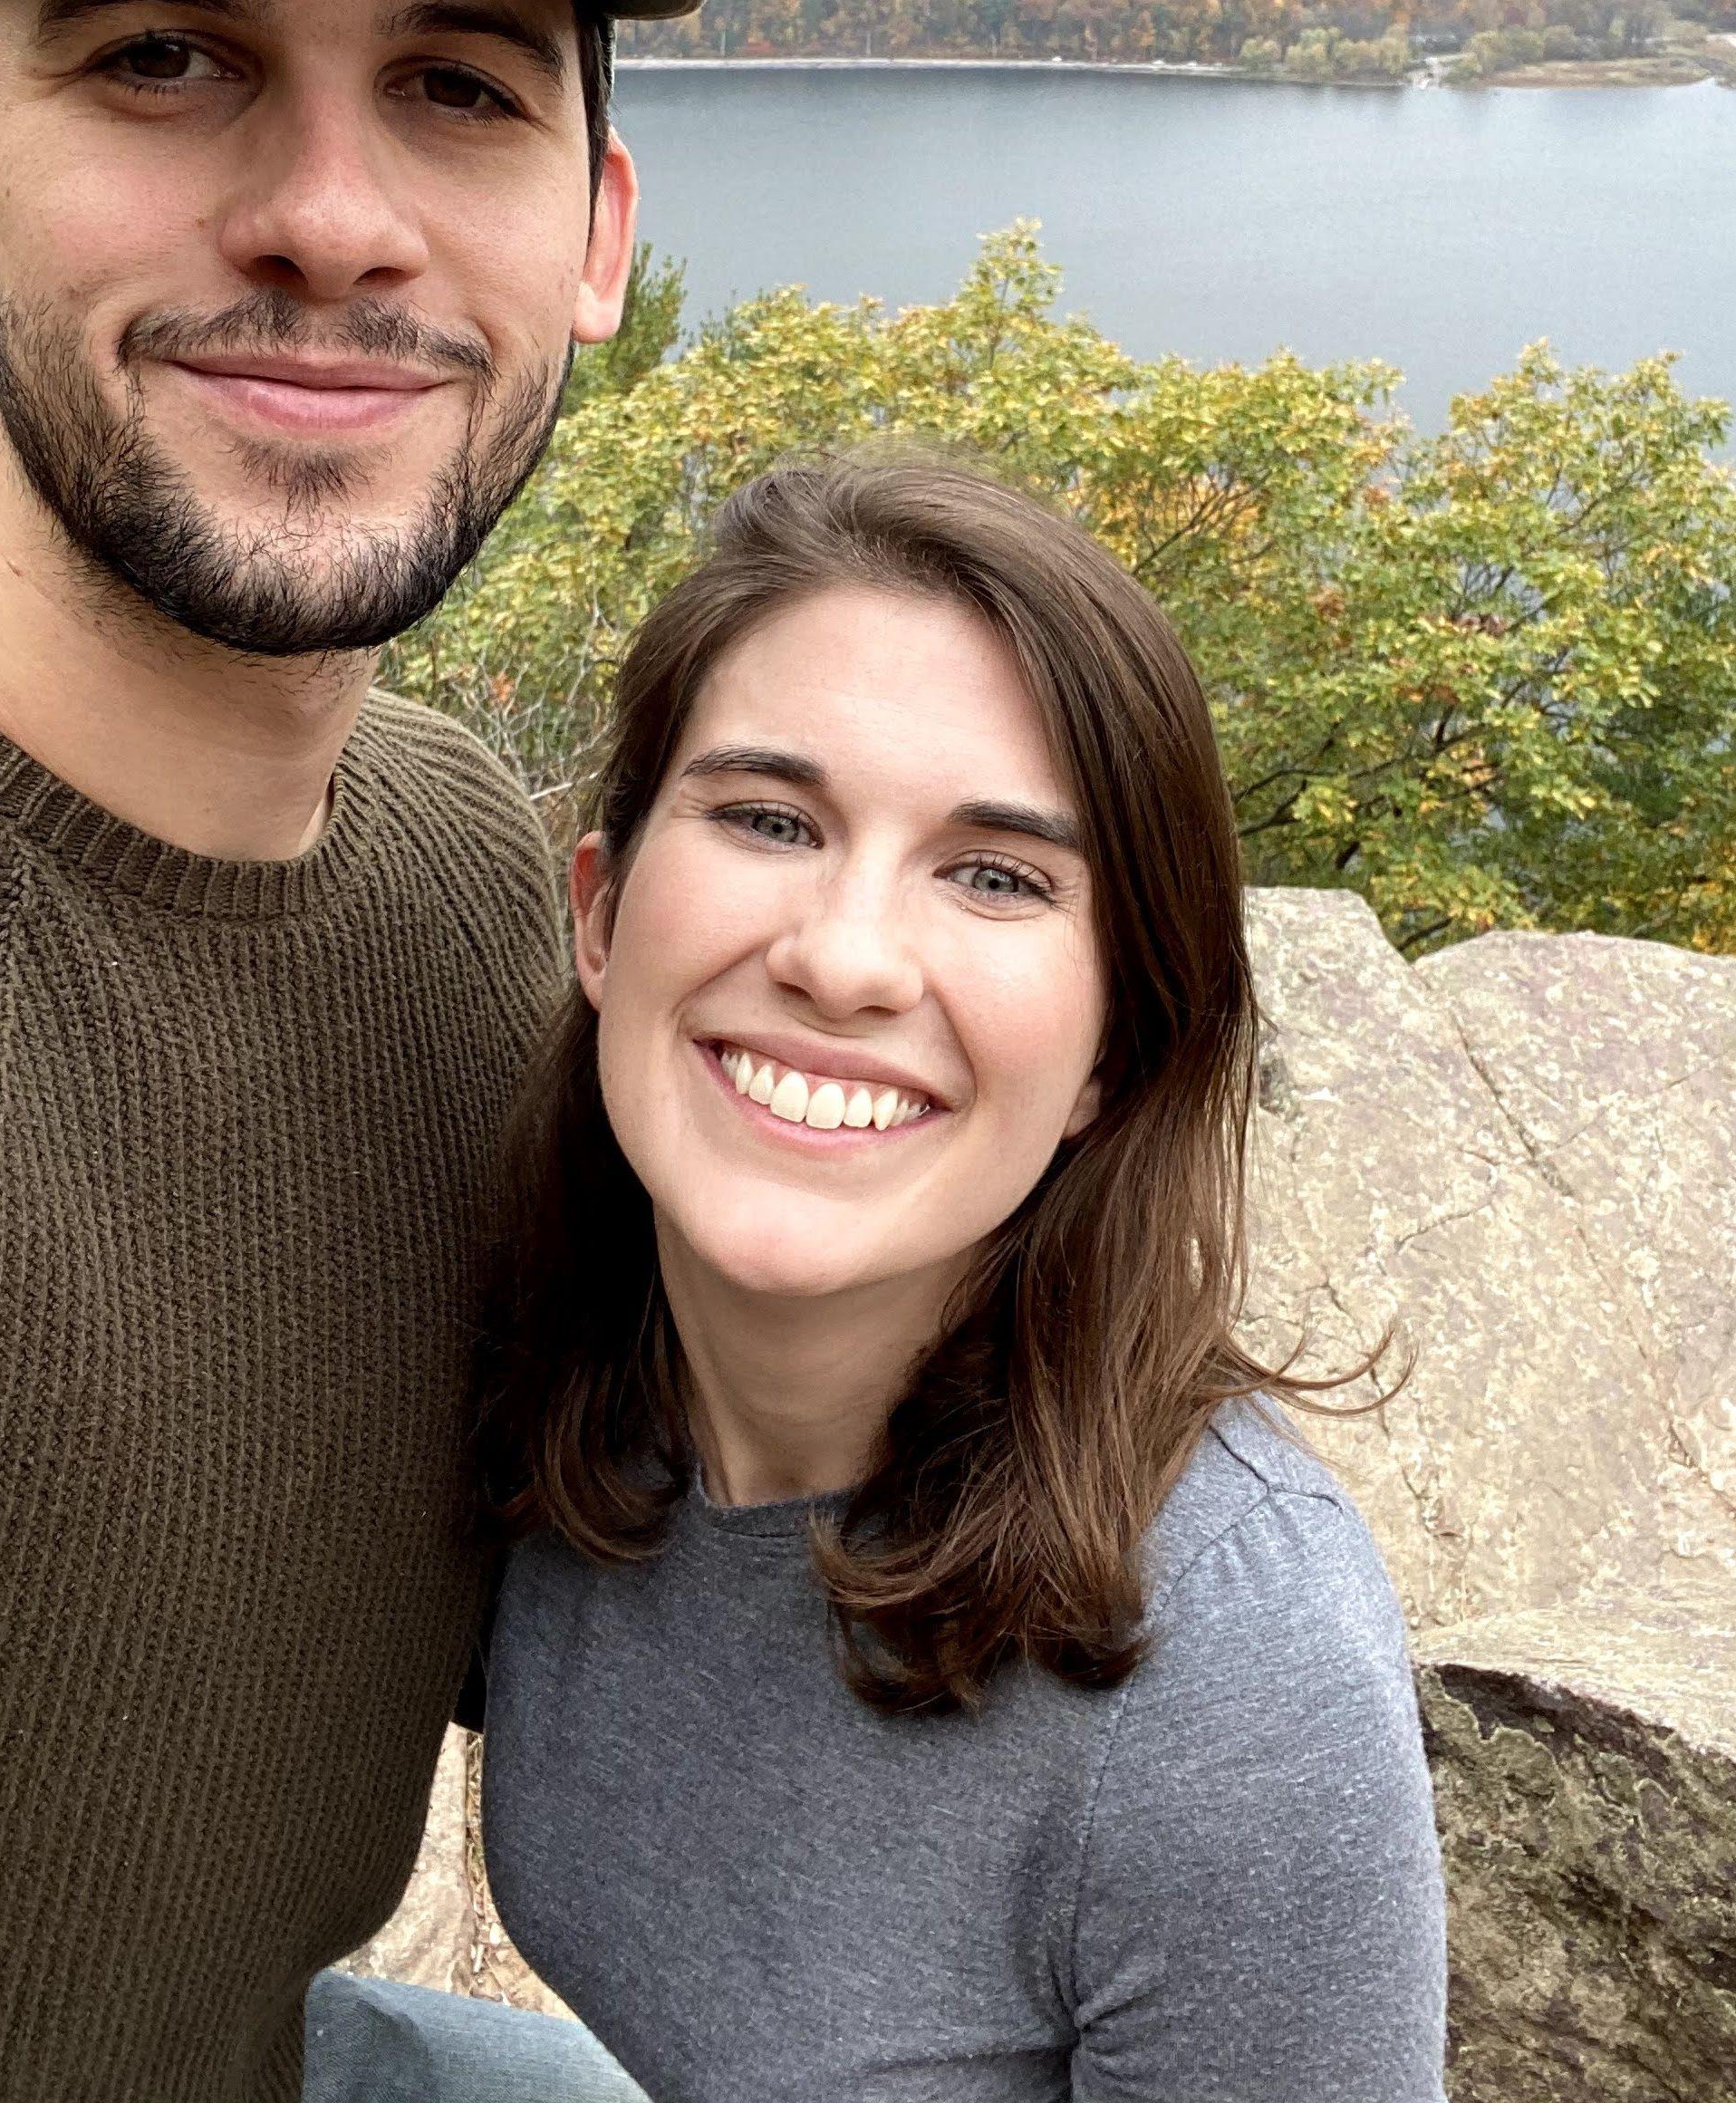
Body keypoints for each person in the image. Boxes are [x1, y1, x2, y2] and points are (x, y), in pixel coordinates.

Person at [0, 0, 691, 2101]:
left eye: (457, 87)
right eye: (162, 57)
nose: (332, 218)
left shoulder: (485, 902)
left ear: (591, 235)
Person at [470, 451, 1451, 2102]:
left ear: (1110, 1053)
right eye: (771, 819)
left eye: (995, 874)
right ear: (599, 909)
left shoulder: (1223, 1680)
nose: (843, 957)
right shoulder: (555, 1365)